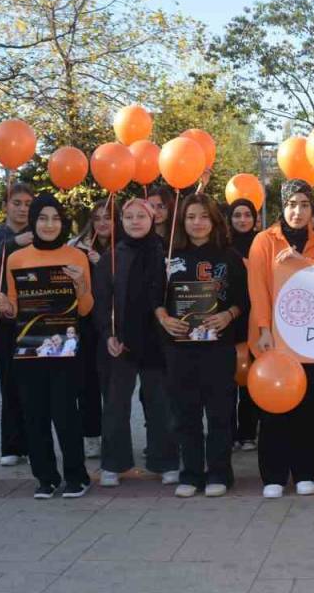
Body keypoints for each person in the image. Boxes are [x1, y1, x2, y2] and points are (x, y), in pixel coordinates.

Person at [0, 193, 94, 499]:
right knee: (34, 417)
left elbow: (86, 309)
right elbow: (13, 308)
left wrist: (81, 286)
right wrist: (5, 306)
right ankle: (45, 478)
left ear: (62, 222)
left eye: (55, 218)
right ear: (33, 222)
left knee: (66, 416)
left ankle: (77, 476)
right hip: (29, 349)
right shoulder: (16, 259)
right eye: (42, 218)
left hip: (66, 350)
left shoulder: (77, 257)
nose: (49, 224)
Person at [158, 194, 249, 497]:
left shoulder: (229, 257)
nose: (197, 222)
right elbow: (153, 299)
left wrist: (228, 314)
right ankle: (191, 474)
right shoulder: (169, 256)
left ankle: (219, 474)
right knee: (185, 414)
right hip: (179, 348)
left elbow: (243, 301)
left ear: (214, 220)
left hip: (218, 348)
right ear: (182, 221)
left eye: (204, 217)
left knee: (221, 413)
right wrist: (164, 318)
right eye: (191, 217)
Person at [249, 180, 314, 498]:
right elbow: (257, 288)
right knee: (273, 407)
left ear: (313, 209)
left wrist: (304, 263)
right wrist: (264, 328)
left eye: (304, 205)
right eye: (292, 204)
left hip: (308, 340)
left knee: (305, 407)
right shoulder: (263, 241)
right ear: (283, 207)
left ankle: (304, 472)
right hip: (271, 338)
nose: (297, 211)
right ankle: (273, 474)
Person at [93, 198, 179, 487]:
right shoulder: (112, 257)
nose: (134, 221)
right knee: (116, 407)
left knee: (160, 406)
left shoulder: (165, 253)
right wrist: (108, 335)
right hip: (121, 345)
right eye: (128, 216)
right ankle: (113, 464)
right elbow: (102, 301)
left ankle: (165, 461)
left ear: (152, 218)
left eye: (141, 215)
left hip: (157, 343)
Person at [0, 182, 34, 467]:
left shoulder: (40, 232)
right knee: (9, 381)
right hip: (4, 319)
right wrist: (13, 243)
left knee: (35, 382)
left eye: (27, 203)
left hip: (36, 317)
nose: (23, 208)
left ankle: (36, 442)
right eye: (17, 203)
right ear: (6, 206)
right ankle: (12, 445)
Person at [71, 201, 115, 458]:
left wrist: (101, 265)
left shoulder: (121, 247)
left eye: (107, 217)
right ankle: (91, 436)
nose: (102, 223)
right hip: (86, 323)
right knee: (87, 382)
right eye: (97, 218)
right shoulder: (78, 246)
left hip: (111, 323)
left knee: (112, 384)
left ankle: (112, 434)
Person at [228, 198, 261, 452]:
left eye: (247, 215)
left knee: (250, 377)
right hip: (227, 319)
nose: (242, 220)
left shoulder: (262, 243)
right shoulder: (222, 245)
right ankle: (228, 432)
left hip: (254, 317)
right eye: (237, 215)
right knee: (227, 379)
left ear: (254, 218)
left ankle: (248, 432)